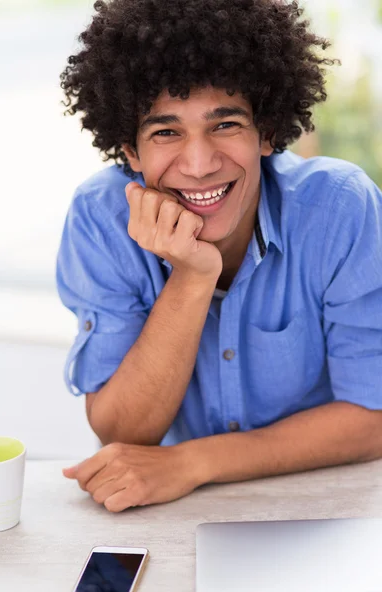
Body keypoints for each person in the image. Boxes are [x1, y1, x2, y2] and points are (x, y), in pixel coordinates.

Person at [57, 0, 382, 513]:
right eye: (166, 132)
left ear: (267, 132)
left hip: (320, 500)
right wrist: (191, 276)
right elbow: (122, 431)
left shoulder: (340, 208)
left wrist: (194, 463)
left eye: (226, 124)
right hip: (170, 512)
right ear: (131, 153)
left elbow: (372, 419)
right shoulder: (101, 218)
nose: (200, 163)